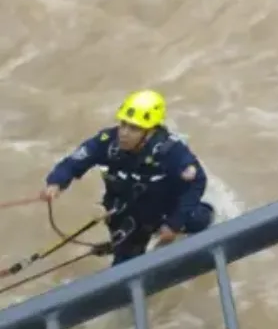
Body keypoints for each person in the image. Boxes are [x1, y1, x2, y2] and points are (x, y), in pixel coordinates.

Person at [40, 89, 216, 267]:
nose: (124, 133)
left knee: (200, 221)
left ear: (150, 131)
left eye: (134, 128)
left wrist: (174, 224)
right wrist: (56, 182)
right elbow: (76, 160)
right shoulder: (108, 141)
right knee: (124, 269)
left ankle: (204, 216)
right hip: (128, 213)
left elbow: (197, 182)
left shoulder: (171, 152)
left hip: (166, 208)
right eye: (123, 124)